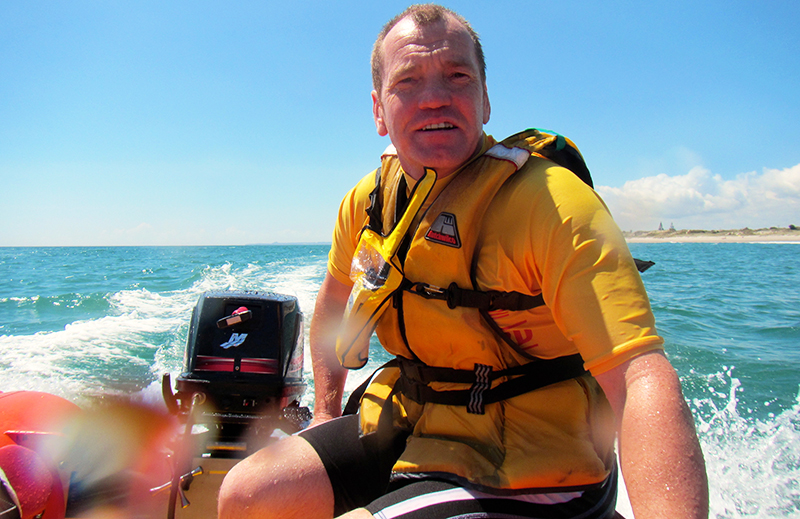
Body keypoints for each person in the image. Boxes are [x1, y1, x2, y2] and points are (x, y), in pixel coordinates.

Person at [218, 4, 709, 519]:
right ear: (378, 110)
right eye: (408, 81)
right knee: (246, 493)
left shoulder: (551, 205)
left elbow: (640, 377)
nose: (435, 98)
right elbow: (336, 297)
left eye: (458, 76)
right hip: (414, 417)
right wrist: (322, 410)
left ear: (485, 99)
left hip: (533, 450)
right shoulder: (367, 203)